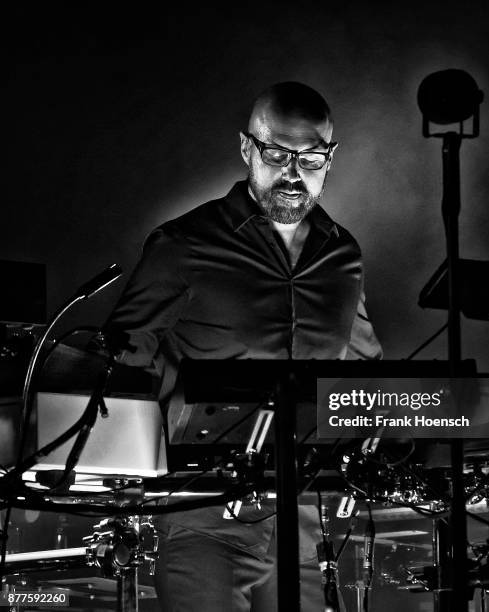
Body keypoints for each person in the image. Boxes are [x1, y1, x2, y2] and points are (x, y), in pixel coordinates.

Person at [106, 82, 381, 611]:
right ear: (245, 148)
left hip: (307, 526)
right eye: (276, 153)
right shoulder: (183, 244)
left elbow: (365, 367)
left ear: (332, 156)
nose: (293, 172)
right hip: (205, 517)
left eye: (311, 158)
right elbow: (122, 365)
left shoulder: (343, 254)